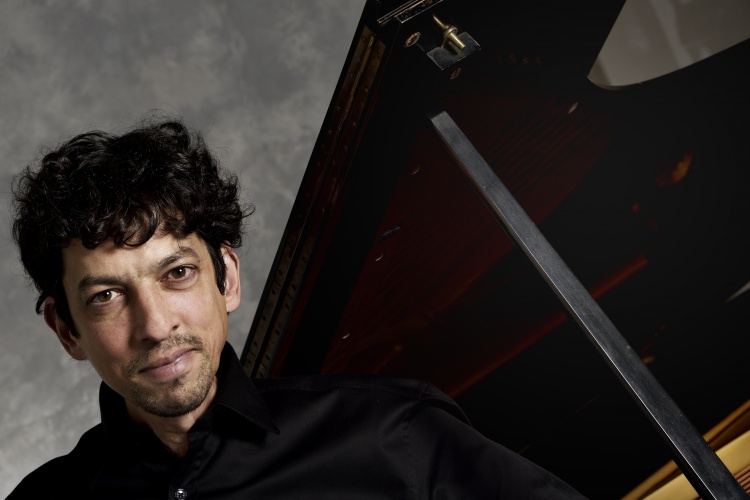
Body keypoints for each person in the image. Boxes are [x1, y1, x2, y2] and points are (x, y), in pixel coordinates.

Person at [8, 117, 586, 499]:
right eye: (107, 297)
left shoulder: (393, 436)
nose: (156, 326)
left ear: (227, 278)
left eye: (177, 273)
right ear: (66, 330)